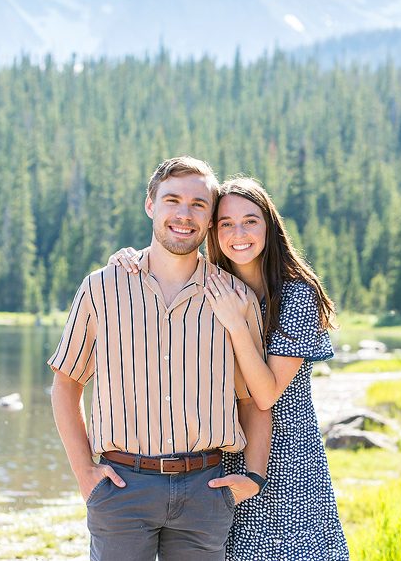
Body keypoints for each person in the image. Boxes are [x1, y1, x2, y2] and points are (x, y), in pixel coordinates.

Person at [109, 176, 350, 560]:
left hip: (286, 458)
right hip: (220, 455)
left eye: (250, 221)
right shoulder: (213, 285)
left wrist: (237, 323)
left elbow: (266, 394)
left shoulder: (296, 294)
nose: (239, 232)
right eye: (226, 223)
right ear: (210, 230)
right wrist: (129, 259)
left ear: (269, 226)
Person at [49, 157, 273, 561]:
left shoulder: (234, 298)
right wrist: (85, 473)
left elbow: (252, 399)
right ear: (150, 205)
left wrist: (253, 476)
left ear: (210, 220)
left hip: (205, 492)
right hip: (121, 488)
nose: (184, 215)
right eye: (172, 200)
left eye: (198, 205)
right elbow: (66, 384)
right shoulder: (102, 289)